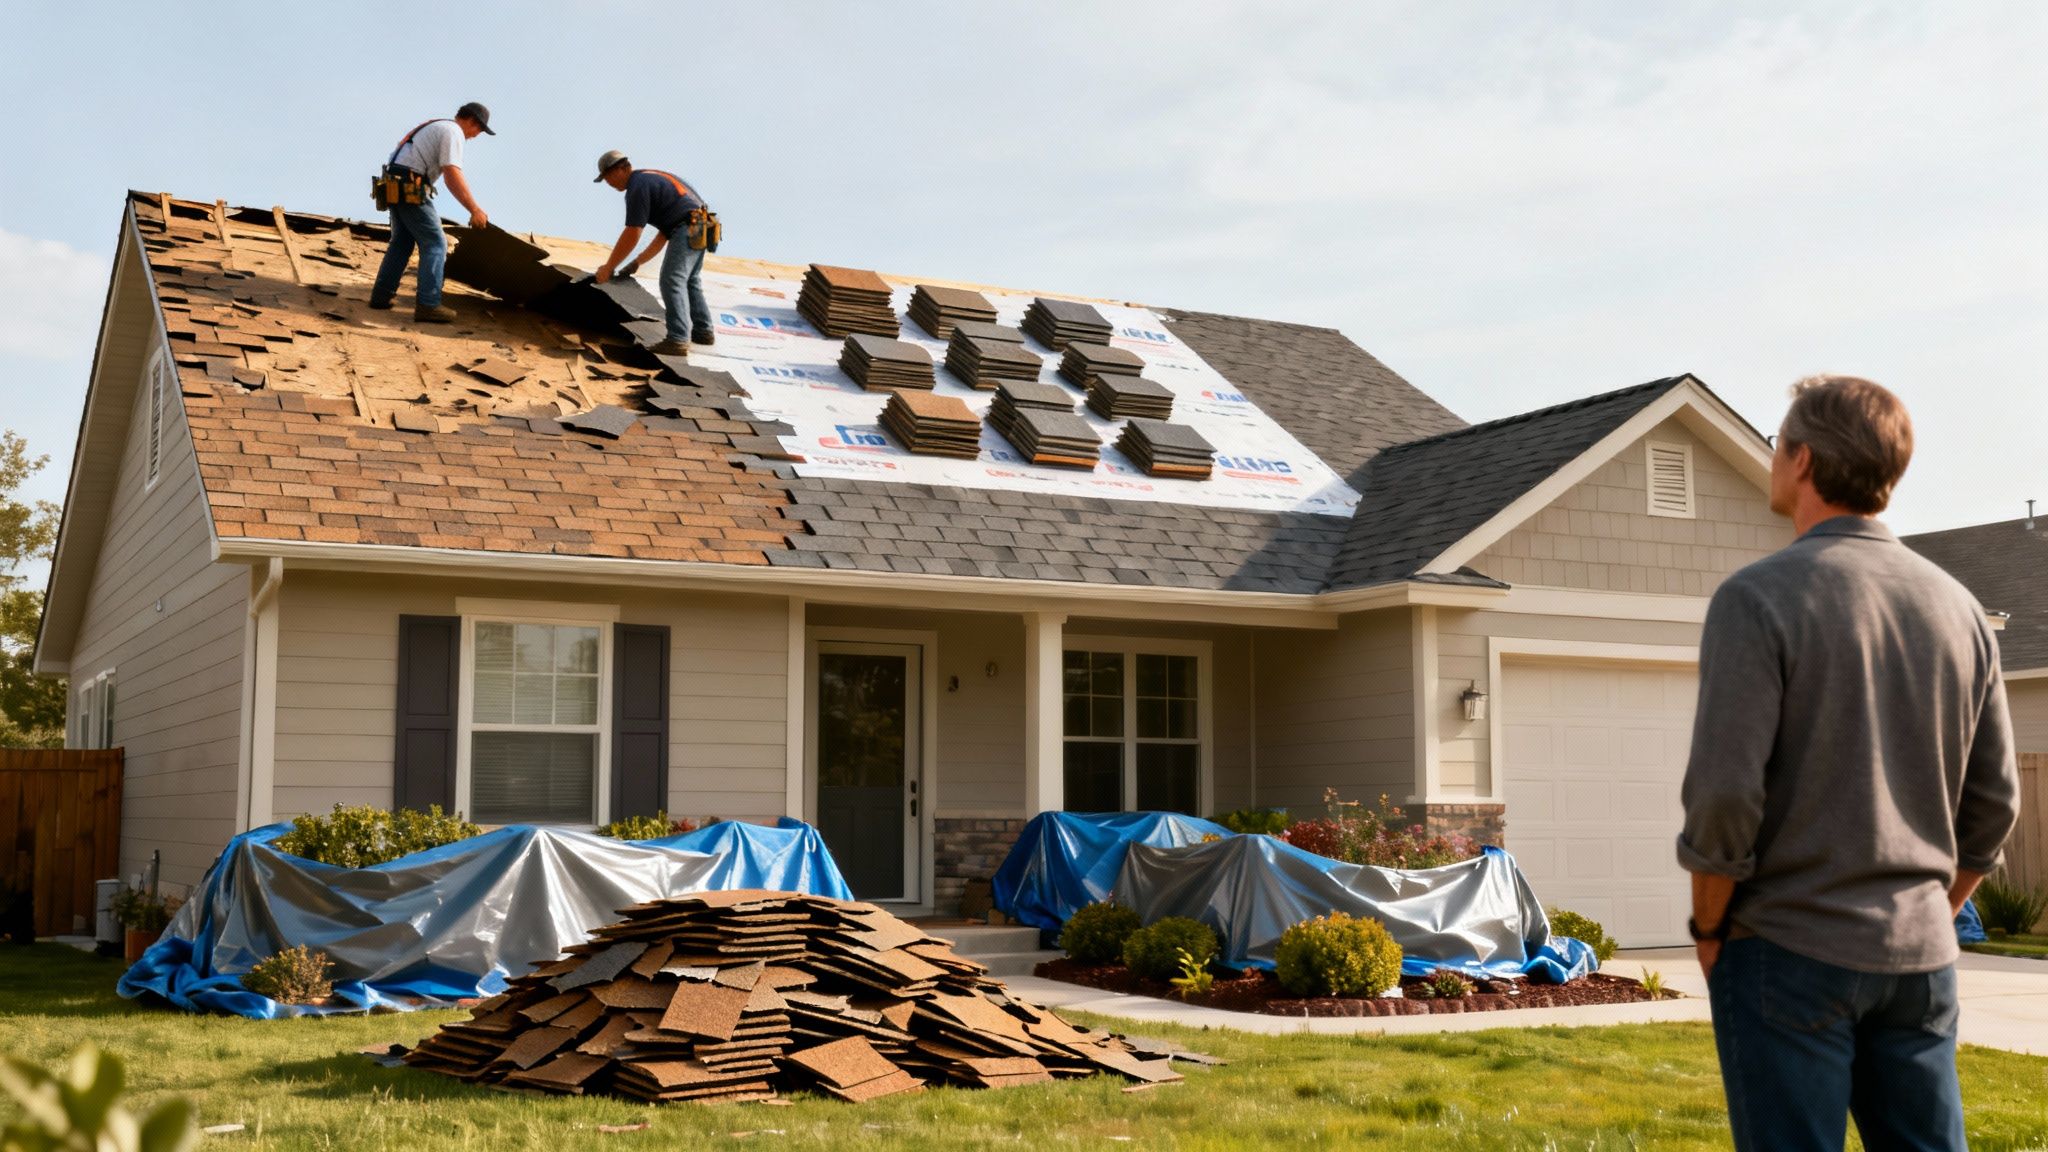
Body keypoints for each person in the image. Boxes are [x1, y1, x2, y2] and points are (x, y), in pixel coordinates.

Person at [1677, 375, 2019, 1151]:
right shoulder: (1958, 607)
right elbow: (1995, 806)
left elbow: (1727, 795)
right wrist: (1930, 905)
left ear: (1801, 460)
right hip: (1920, 961)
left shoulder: (1758, 598)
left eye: (1775, 441)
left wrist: (1707, 925)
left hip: (1785, 951)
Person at [369, 102, 495, 323]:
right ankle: (428, 304)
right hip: (409, 185)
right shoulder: (453, 131)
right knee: (436, 243)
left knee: (402, 242)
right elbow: (452, 173)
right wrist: (474, 209)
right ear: (473, 122)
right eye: (479, 131)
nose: (475, 136)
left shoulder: (437, 126)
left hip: (393, 183)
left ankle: (381, 296)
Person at [591, 150, 715, 355]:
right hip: (701, 224)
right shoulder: (649, 178)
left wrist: (609, 267)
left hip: (689, 226)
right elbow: (664, 234)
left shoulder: (637, 187)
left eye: (608, 177)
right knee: (690, 280)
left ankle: (677, 339)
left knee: (672, 279)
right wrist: (637, 262)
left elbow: (633, 231)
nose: (608, 183)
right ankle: (703, 331)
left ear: (624, 169)